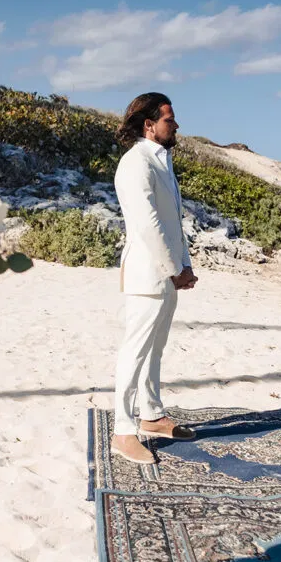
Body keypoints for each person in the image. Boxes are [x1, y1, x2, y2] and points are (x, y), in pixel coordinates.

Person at [111, 92, 199, 465]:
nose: (175, 124)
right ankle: (123, 431)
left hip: (166, 271)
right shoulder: (135, 164)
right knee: (134, 351)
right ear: (149, 125)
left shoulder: (161, 161)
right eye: (169, 119)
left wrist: (186, 263)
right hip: (148, 274)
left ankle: (151, 416)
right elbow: (147, 226)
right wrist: (173, 268)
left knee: (155, 349)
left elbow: (171, 222)